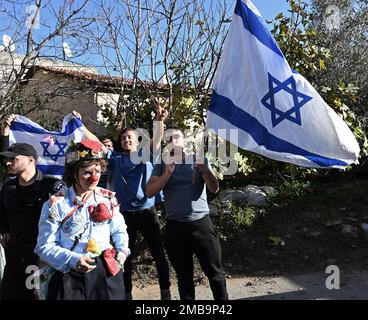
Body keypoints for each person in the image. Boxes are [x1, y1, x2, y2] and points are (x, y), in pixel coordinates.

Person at [81, 104, 171, 300]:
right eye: (123, 137)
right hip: (124, 215)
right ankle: (127, 293)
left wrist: (159, 120)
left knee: (158, 253)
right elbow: (96, 142)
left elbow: (156, 140)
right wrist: (80, 125)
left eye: (129, 137)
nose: (126, 139)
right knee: (124, 255)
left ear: (137, 141)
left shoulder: (145, 156)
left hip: (147, 212)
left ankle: (166, 291)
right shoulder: (115, 159)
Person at [35, 139, 130, 300]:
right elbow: (43, 246)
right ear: (74, 173)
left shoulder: (107, 198)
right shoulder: (55, 204)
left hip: (106, 271)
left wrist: (121, 254)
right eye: (87, 172)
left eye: (98, 171)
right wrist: (73, 259)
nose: (94, 178)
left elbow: (119, 230)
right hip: (71, 274)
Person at [146, 128, 229, 300]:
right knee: (184, 277)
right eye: (168, 139)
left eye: (176, 137)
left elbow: (214, 188)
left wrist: (205, 170)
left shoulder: (199, 159)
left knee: (215, 274)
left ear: (185, 141)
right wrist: (168, 173)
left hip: (201, 225)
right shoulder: (162, 164)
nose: (172, 141)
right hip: (175, 227)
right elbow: (149, 191)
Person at [0, 115, 64, 300]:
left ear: (30, 160)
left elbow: (68, 218)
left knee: (36, 297)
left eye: (14, 159)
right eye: (7, 159)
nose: (8, 162)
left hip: (42, 258)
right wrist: (5, 230)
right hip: (14, 256)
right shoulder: (8, 187)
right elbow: (1, 211)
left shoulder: (51, 187)